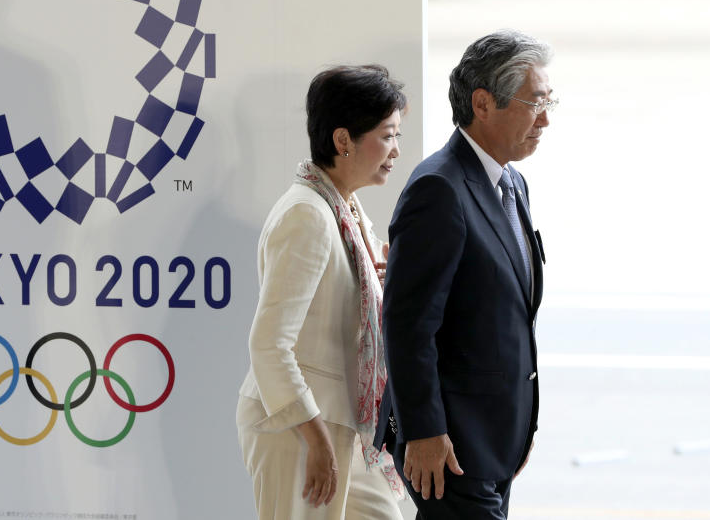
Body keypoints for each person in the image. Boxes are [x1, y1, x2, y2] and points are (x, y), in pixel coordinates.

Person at [374, 30, 554, 519]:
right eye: (535, 102)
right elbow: (409, 325)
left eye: (549, 101)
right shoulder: (439, 189)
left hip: (495, 440)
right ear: (483, 103)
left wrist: (519, 428)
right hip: (450, 447)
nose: (546, 117)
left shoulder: (512, 182)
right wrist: (426, 432)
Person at [237, 65, 409, 519]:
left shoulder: (343, 208)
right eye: (388, 135)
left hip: (346, 426)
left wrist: (385, 285)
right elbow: (269, 345)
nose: (396, 150)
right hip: (298, 426)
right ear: (342, 140)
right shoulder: (308, 215)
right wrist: (314, 439)